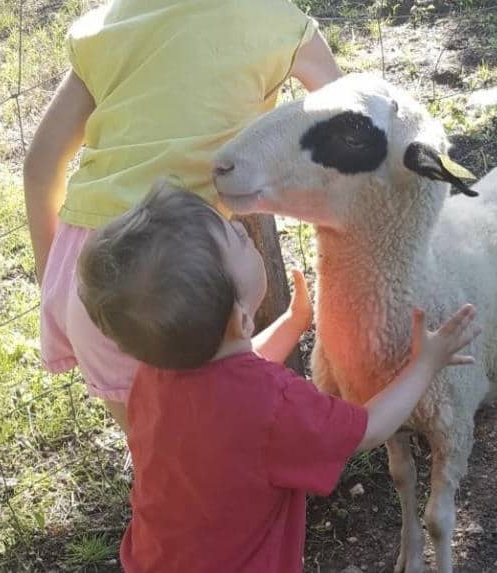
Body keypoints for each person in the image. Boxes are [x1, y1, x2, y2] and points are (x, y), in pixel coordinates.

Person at [76, 182, 481, 572]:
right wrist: (424, 364)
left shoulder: (155, 374)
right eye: (236, 239)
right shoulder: (274, 405)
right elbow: (369, 429)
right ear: (241, 318)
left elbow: (230, 376)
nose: (240, 227)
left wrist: (291, 324)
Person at [23, 0, 342, 432]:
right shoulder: (278, 21)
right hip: (179, 271)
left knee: (158, 456)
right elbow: (351, 116)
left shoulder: (110, 22)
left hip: (86, 264)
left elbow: (40, 166)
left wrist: (56, 284)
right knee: (220, 444)